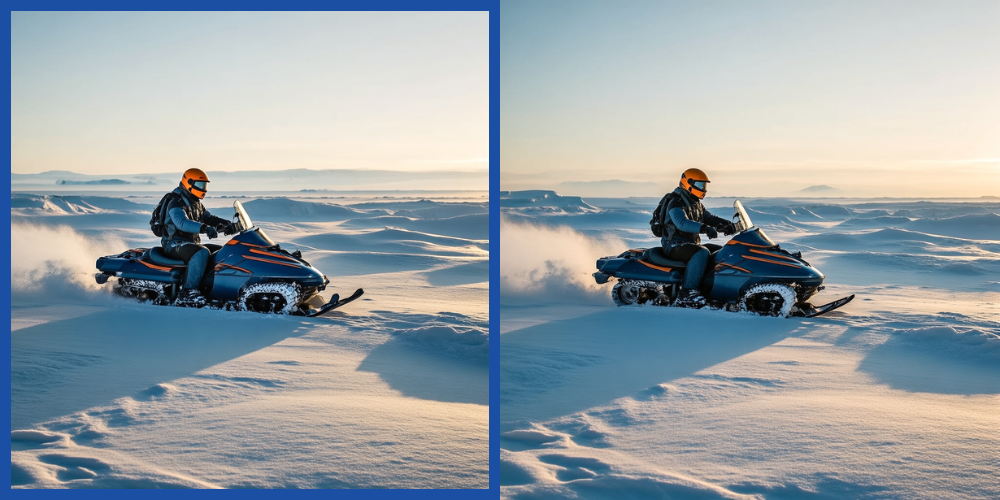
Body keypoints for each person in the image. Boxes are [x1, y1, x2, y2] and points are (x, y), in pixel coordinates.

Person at [659, 168, 735, 308]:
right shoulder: (676, 202)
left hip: (688, 244)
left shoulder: (695, 203)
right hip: (674, 245)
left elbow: (710, 218)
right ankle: (687, 293)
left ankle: (713, 287)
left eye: (705, 186)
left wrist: (729, 224)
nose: (704, 190)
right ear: (688, 183)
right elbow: (681, 223)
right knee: (702, 252)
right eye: (700, 185)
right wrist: (704, 228)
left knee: (721, 251)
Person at [162, 168, 235, 307]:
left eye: (205, 186)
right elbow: (181, 222)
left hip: (189, 243)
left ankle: (211, 286)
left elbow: (210, 218)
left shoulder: (195, 203)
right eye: (201, 185)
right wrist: (203, 228)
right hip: (173, 244)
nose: (204, 190)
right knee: (201, 252)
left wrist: (229, 224)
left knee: (223, 251)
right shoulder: (176, 202)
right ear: (188, 183)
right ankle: (188, 292)